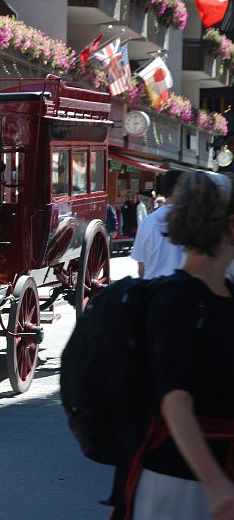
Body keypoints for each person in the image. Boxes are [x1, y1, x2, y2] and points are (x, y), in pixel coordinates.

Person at [119, 170, 234, 520]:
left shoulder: (224, 295)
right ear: (230, 226)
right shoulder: (175, 299)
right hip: (181, 483)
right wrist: (216, 485)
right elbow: (176, 400)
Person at [130, 170, 185, 279]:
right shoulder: (192, 221)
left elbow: (141, 269)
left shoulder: (146, 222)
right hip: (182, 290)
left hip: (153, 289)